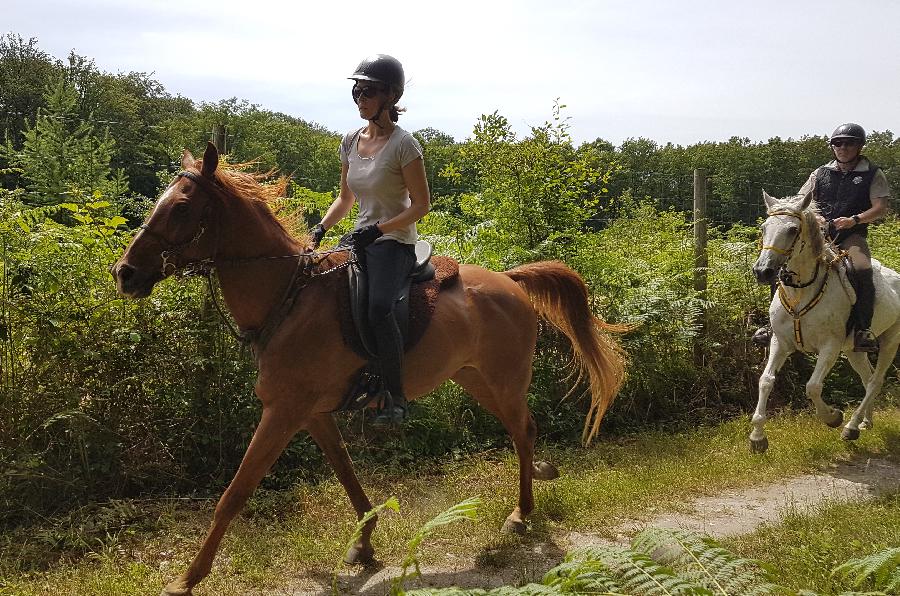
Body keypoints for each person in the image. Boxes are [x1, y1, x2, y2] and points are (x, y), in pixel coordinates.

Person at [310, 54, 430, 426]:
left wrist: (378, 230)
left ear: (390, 96)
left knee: (378, 307)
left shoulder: (404, 146)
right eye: (357, 89)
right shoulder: (349, 141)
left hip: (393, 241)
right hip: (359, 239)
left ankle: (395, 398)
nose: (361, 96)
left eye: (369, 91)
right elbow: (345, 198)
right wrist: (321, 229)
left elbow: (422, 205)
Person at [753, 123, 891, 352]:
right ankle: (771, 326)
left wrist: (854, 220)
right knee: (781, 264)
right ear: (832, 146)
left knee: (862, 268)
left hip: (851, 236)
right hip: (818, 236)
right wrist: (814, 218)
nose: (843, 147)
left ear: (859, 146)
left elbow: (880, 208)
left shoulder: (873, 174)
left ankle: (863, 330)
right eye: (838, 143)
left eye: (849, 143)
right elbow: (800, 201)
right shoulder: (820, 173)